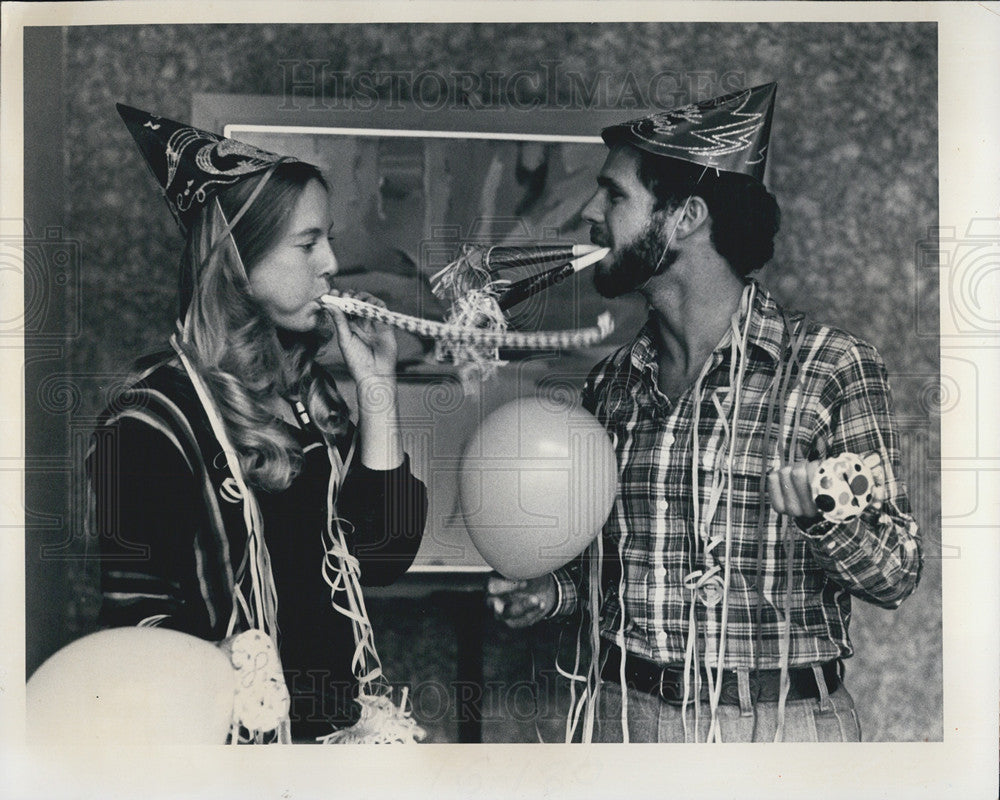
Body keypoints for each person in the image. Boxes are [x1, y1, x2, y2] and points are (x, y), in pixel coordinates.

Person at [488, 83, 922, 742]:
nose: (588, 212)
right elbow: (611, 567)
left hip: (782, 729)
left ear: (685, 216)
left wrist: (821, 516)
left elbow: (896, 571)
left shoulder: (830, 367)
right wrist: (552, 592)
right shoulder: (611, 385)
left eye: (614, 195)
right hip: (621, 719)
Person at [88, 105, 427, 742]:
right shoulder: (149, 421)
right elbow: (135, 626)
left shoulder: (304, 395)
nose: (331, 263)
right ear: (238, 257)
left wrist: (379, 395)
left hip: (334, 737)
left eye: (329, 239)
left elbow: (380, 559)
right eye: (308, 243)